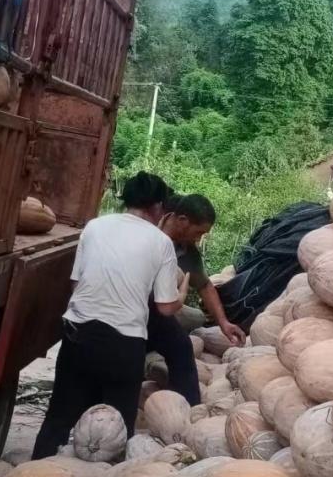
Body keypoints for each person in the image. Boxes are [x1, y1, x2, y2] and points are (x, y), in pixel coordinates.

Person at [31, 171, 181, 459]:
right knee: (117, 430)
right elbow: (164, 307)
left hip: (79, 336)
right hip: (124, 346)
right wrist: (180, 298)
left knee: (59, 416)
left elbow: (76, 283)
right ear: (158, 207)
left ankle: (34, 475)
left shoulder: (94, 227)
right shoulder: (161, 242)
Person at [153, 194, 247, 403]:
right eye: (198, 232)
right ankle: (151, 363)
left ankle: (192, 407)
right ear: (182, 221)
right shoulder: (149, 228)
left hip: (161, 309)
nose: (199, 238)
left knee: (190, 327)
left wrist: (223, 322)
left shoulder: (188, 252)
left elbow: (205, 286)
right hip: (131, 306)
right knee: (171, 343)